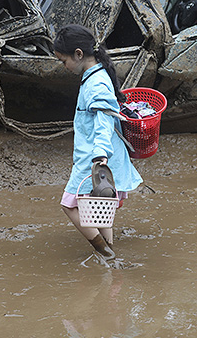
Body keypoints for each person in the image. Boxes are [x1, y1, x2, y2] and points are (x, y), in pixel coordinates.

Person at [54, 24, 143, 260]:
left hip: (94, 154)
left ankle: (105, 253)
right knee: (100, 206)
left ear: (79, 54)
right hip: (101, 151)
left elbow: (104, 121)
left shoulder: (95, 84)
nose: (64, 67)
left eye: (64, 61)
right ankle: (112, 250)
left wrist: (100, 154)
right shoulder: (98, 74)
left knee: (69, 204)